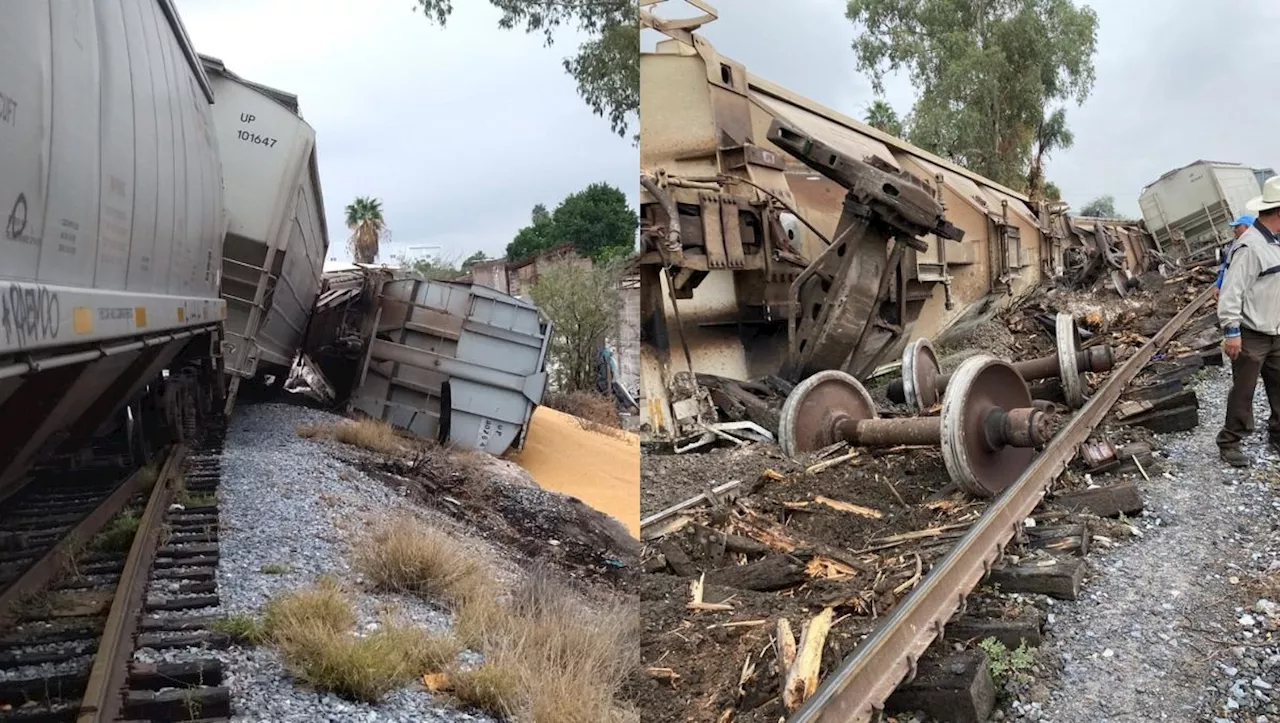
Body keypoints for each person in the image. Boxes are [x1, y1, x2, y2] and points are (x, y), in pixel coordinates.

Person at [1216, 177, 1280, 467]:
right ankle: (1230, 441)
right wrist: (1232, 332)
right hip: (1252, 333)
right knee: (1244, 390)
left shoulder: (1275, 242)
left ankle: (1277, 434)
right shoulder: (1249, 247)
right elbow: (1231, 292)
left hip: (1276, 331)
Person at [1214, 214, 1256, 299]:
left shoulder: (1258, 246)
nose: (1234, 230)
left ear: (1248, 227)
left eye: (1237, 227)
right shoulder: (1233, 248)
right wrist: (1217, 285)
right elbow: (1226, 267)